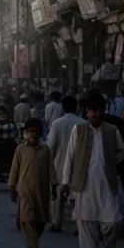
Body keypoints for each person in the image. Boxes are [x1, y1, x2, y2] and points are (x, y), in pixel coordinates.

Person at [61, 94, 124, 248]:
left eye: (97, 110)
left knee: (112, 221)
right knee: (86, 225)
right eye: (91, 111)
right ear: (86, 112)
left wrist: (112, 163)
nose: (94, 114)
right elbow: (70, 157)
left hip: (106, 185)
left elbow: (122, 151)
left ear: (103, 111)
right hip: (83, 186)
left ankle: (110, 245)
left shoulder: (112, 130)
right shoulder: (78, 130)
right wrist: (65, 183)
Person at [9, 118, 57, 248]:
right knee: (27, 219)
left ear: (40, 133)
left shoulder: (45, 150)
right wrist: (12, 187)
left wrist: (54, 188)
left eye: (36, 131)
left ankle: (33, 243)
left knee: (41, 220)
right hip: (25, 190)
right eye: (30, 131)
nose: (33, 134)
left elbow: (51, 170)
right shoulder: (21, 150)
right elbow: (14, 169)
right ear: (26, 133)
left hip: (42, 191)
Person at [46, 96, 81, 232]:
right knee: (76, 196)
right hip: (77, 165)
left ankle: (56, 223)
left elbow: (51, 145)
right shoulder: (82, 123)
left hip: (59, 163)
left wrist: (50, 163)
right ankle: (79, 225)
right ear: (76, 107)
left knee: (57, 196)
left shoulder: (57, 123)